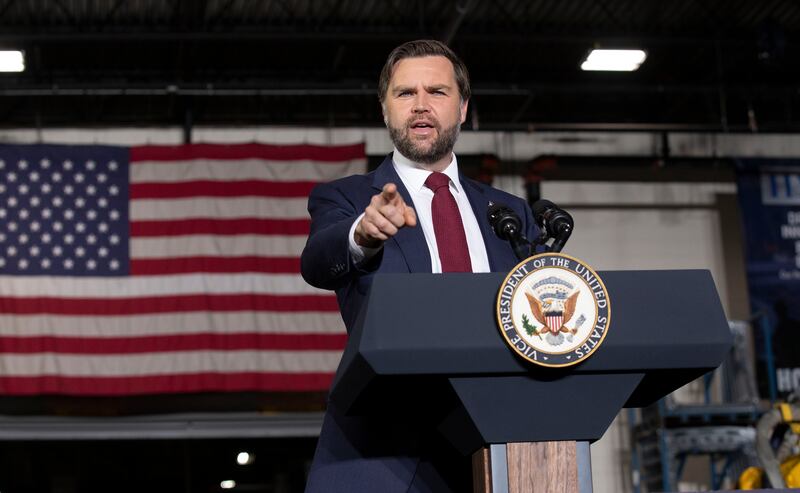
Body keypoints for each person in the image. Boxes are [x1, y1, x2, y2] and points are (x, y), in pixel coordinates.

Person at [301, 39, 540, 492]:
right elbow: (317, 261)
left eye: (438, 92)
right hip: (384, 452)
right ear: (385, 109)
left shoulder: (510, 213)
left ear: (463, 107)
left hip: (502, 446)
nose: (421, 106)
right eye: (405, 93)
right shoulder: (348, 198)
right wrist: (363, 234)